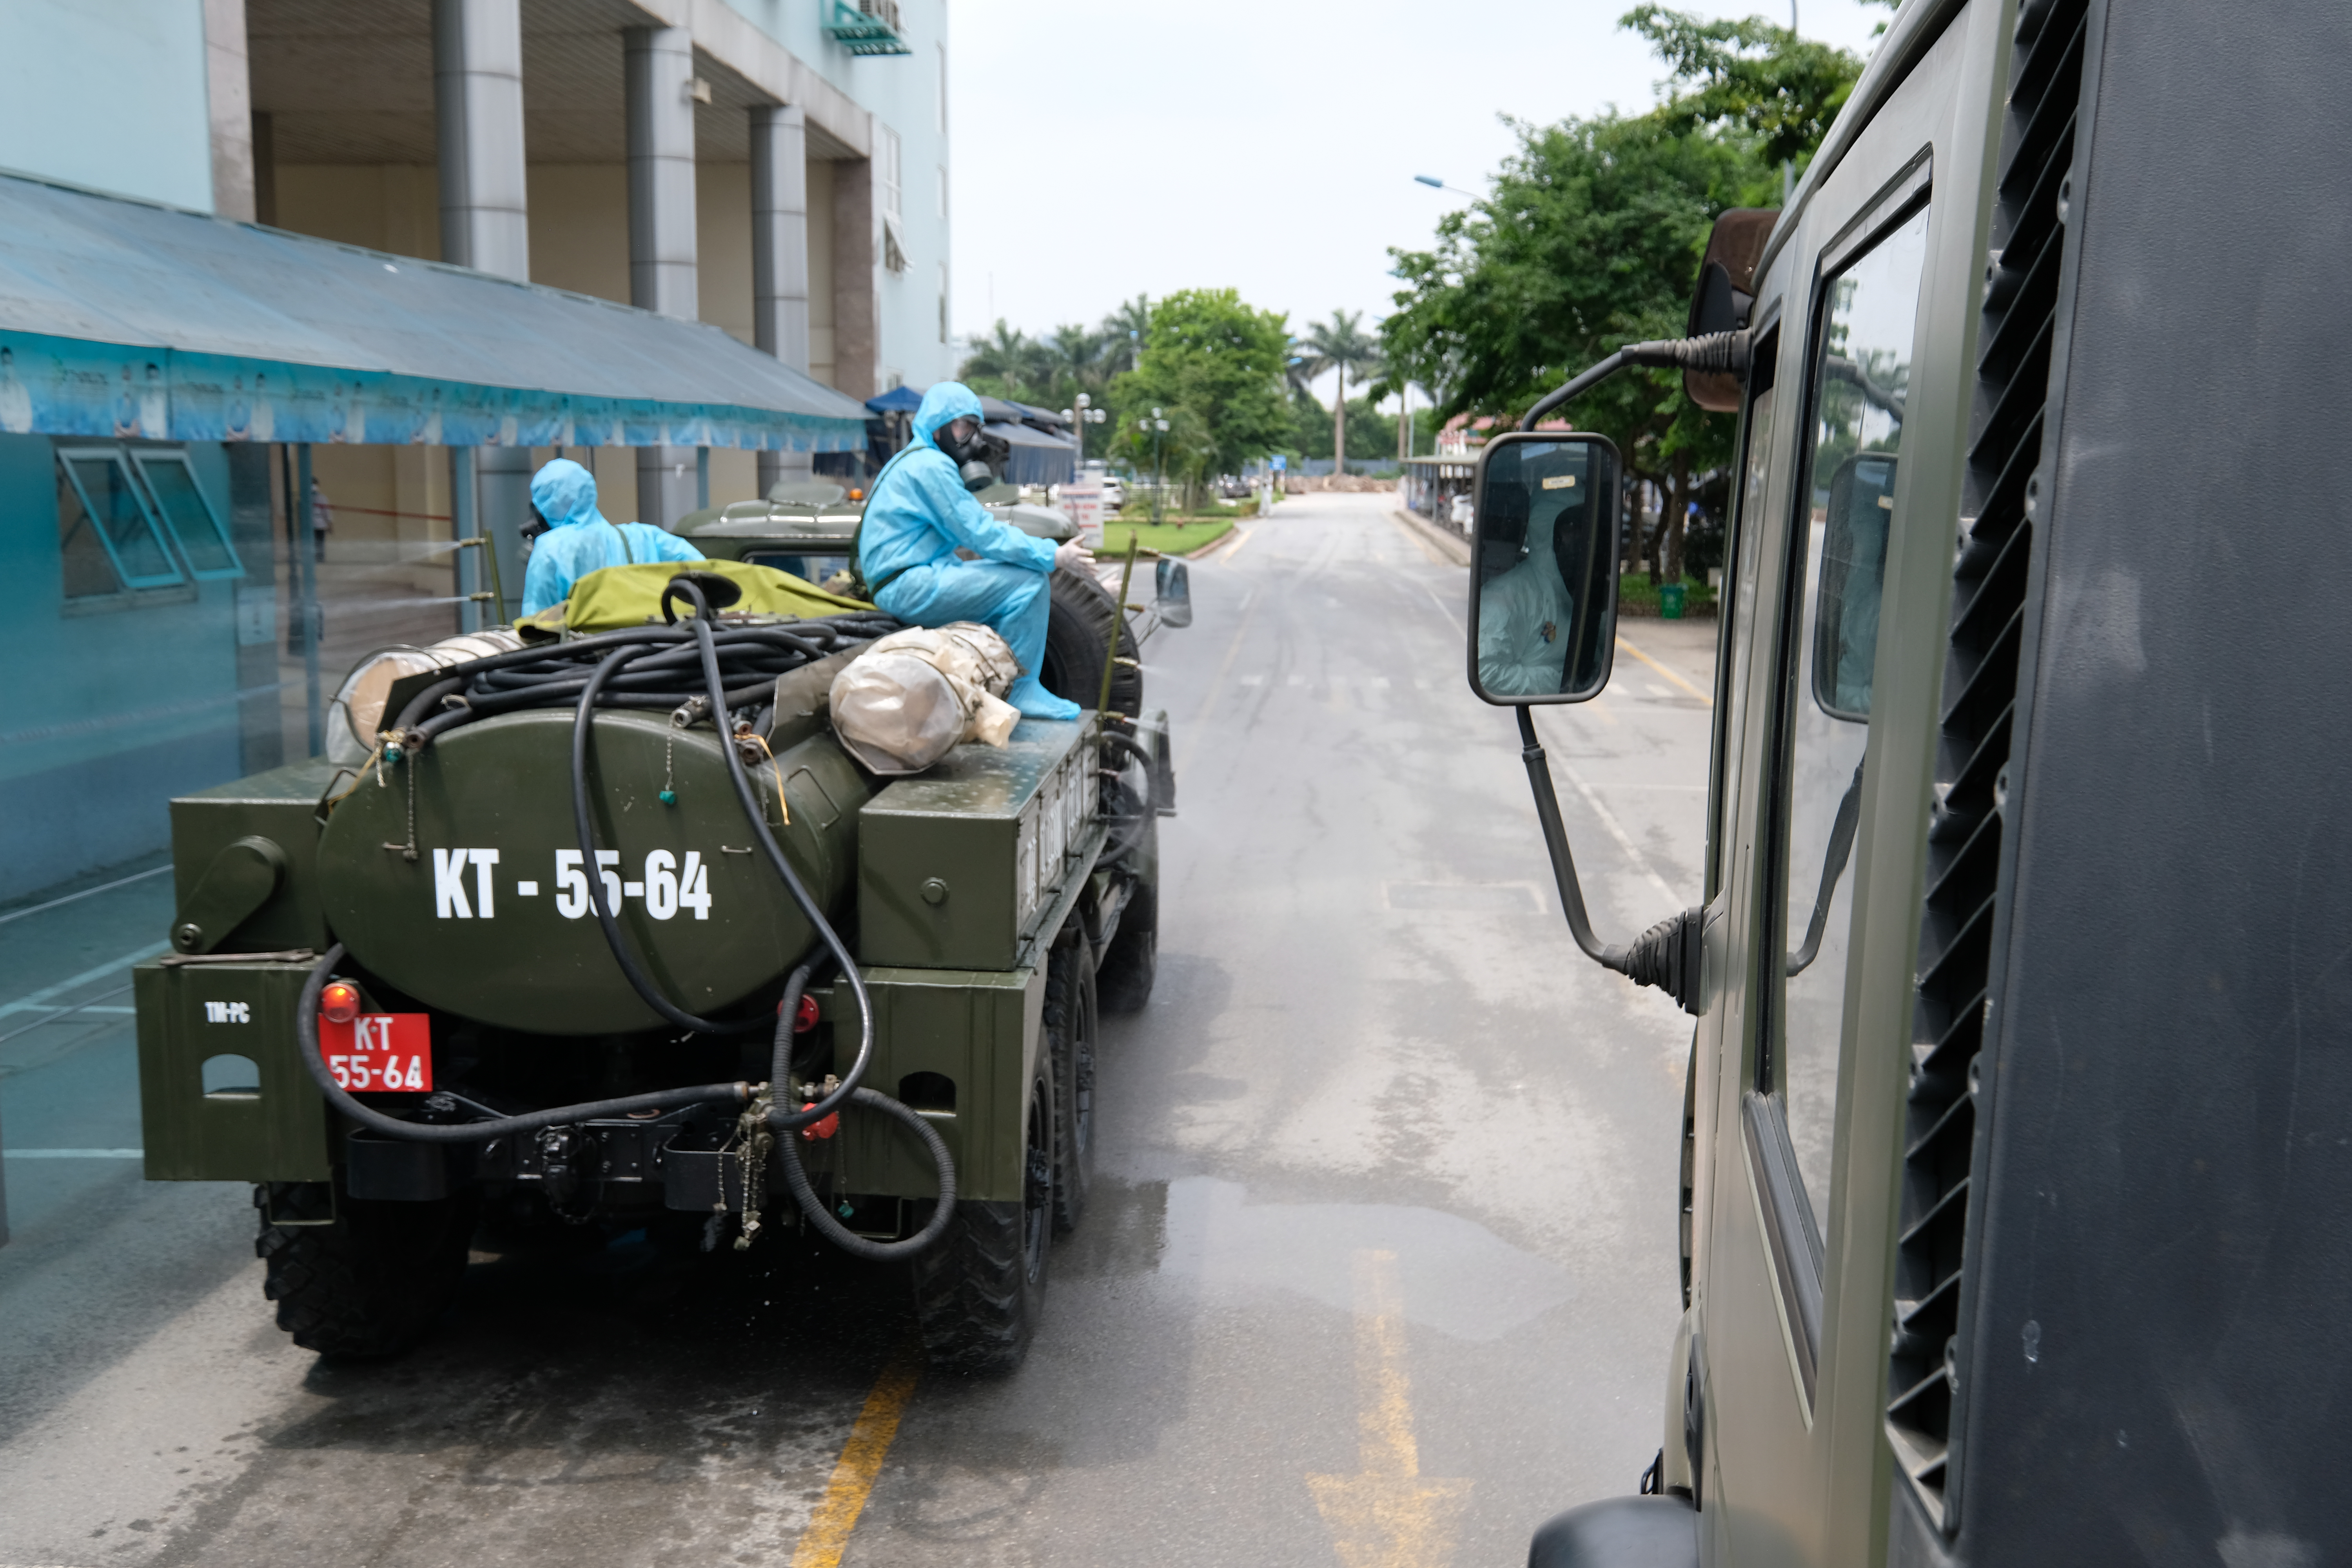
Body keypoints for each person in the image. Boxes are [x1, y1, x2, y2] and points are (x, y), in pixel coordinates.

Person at [857, 382, 1094, 720]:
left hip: (907, 579)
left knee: (1009, 584)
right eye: (963, 426)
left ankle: (993, 682)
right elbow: (981, 534)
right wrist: (1053, 556)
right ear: (938, 429)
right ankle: (1020, 689)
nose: (973, 439)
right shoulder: (930, 467)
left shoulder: (914, 460)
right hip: (908, 585)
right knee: (1029, 584)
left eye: (975, 428)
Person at [519, 457, 701, 617]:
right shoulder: (646, 536)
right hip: (657, 650)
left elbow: (535, 624)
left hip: (583, 653)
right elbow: (703, 574)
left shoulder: (550, 549)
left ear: (544, 507)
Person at [1475, 450, 1588, 697]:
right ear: (1546, 531)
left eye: (1585, 529)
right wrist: (1564, 679)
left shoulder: (1589, 589)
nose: (1581, 540)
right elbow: (1487, 673)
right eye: (1571, 528)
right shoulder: (1504, 598)